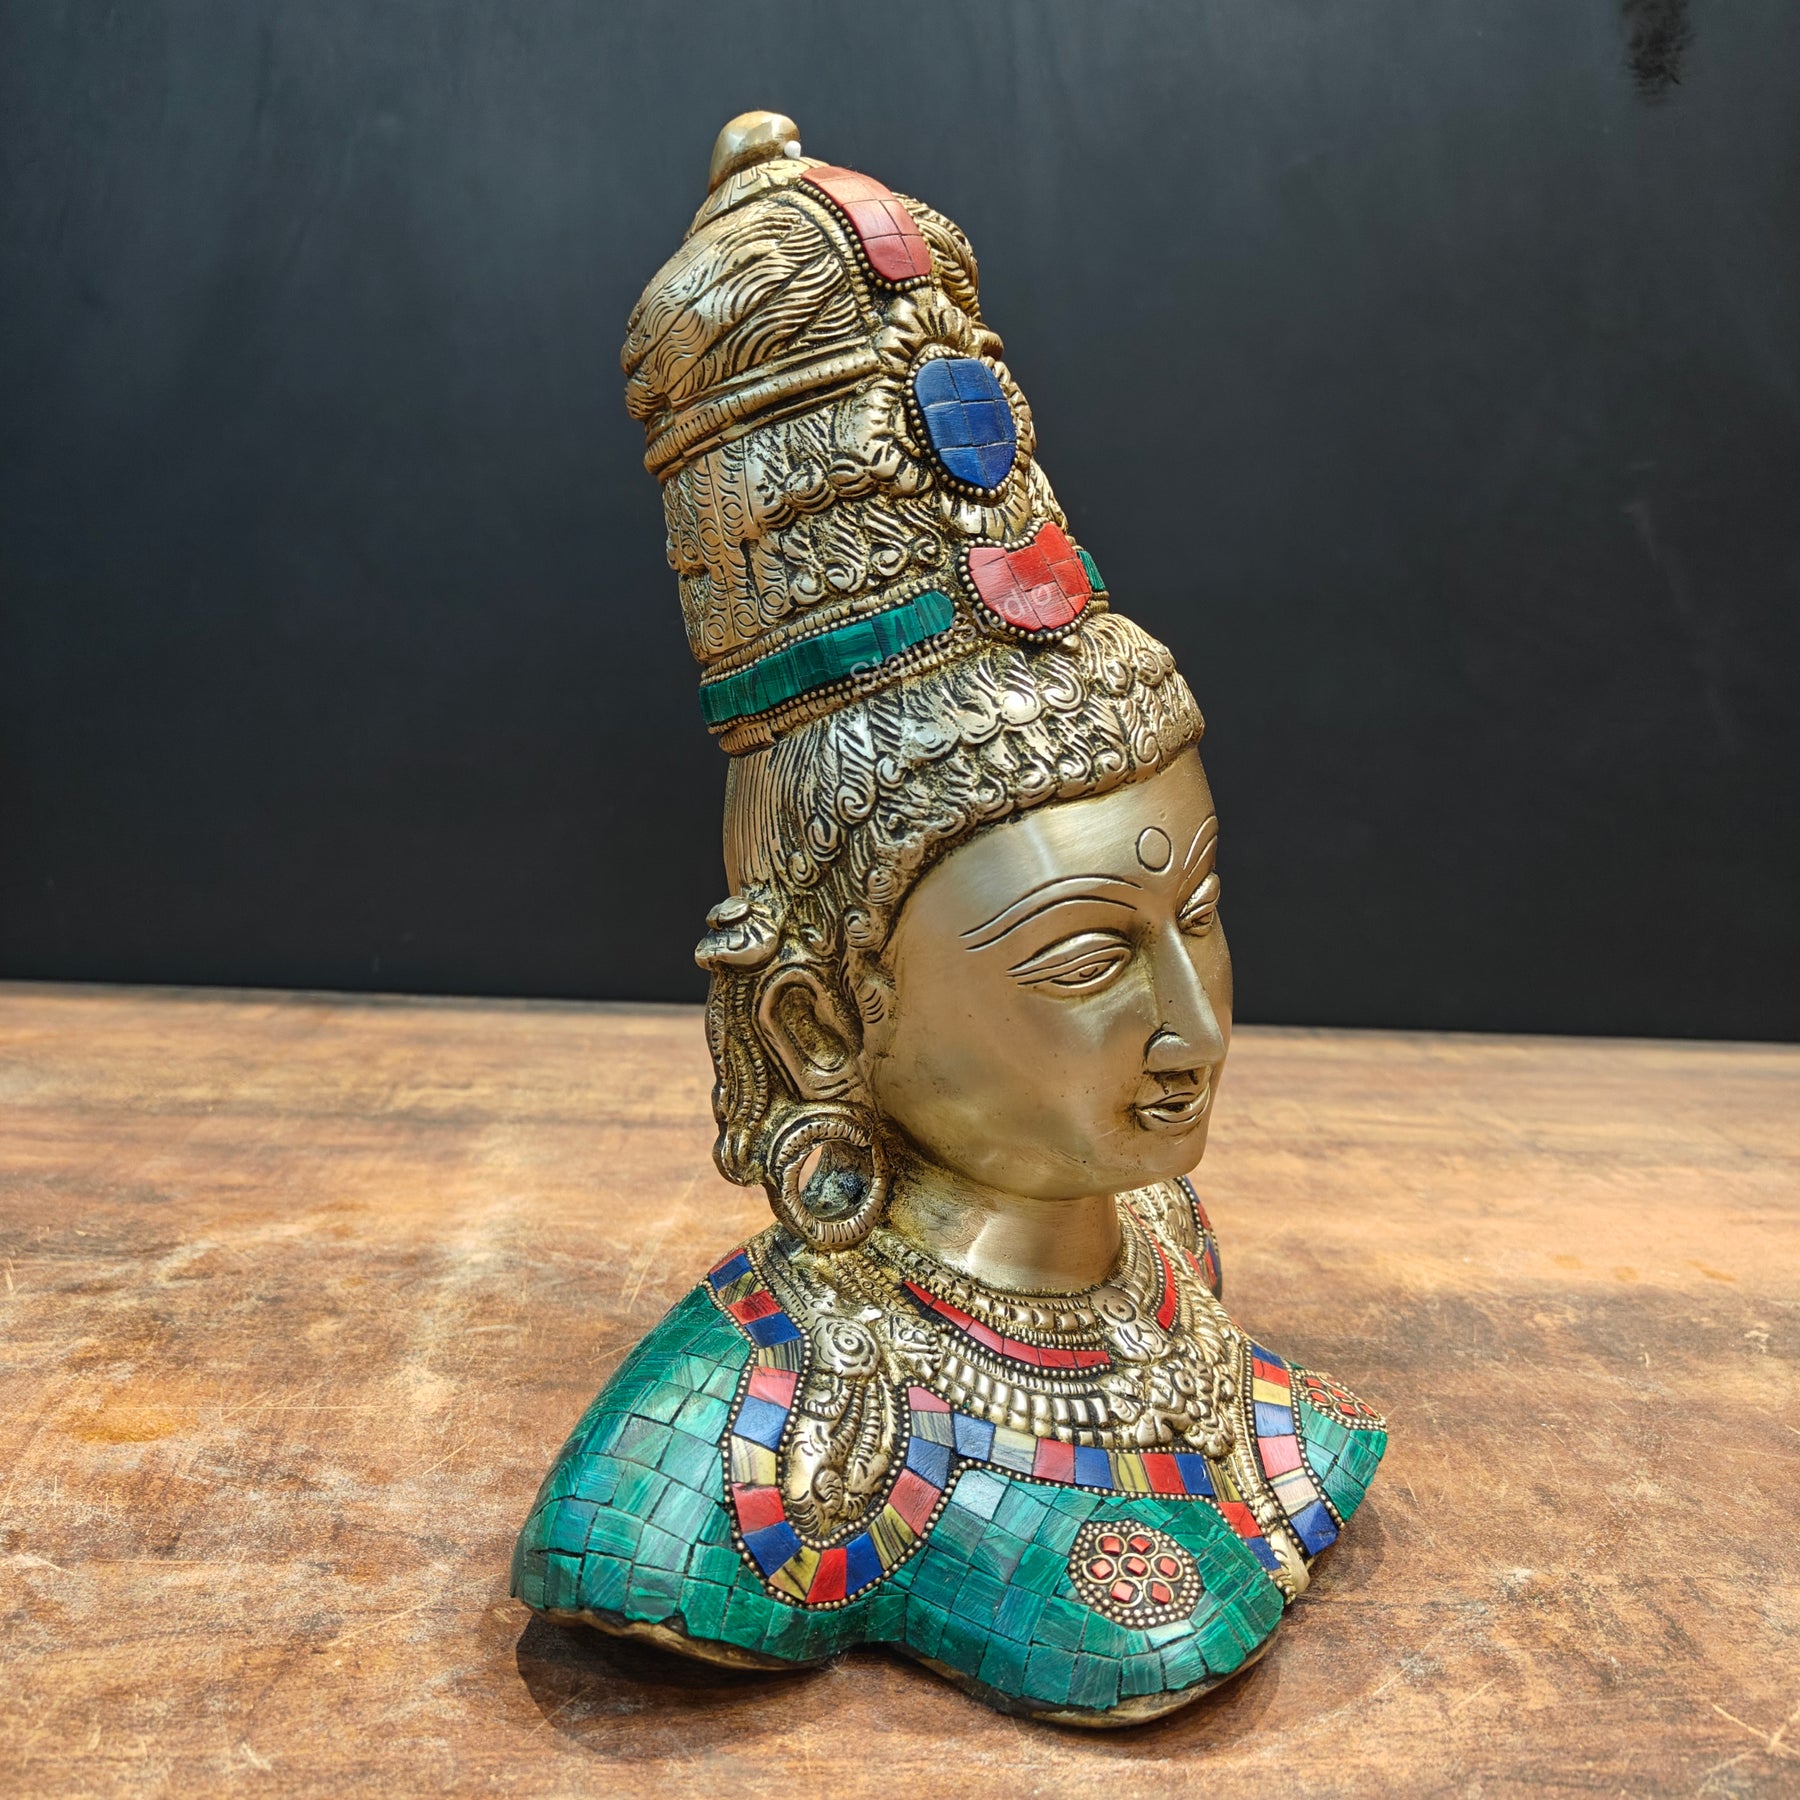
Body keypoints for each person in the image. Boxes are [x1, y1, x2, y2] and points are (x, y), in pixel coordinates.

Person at [512, 112, 1385, 1726]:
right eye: (1088, 956)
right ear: (822, 1021)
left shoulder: (1164, 1246)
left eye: (1200, 914)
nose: (1194, 1027)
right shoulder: (754, 1457)